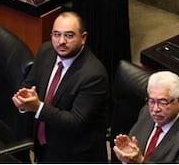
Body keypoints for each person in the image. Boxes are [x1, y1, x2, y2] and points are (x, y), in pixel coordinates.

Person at [13, 11, 110, 163]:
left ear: (83, 38)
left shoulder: (93, 76)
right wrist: (23, 98)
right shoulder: (47, 51)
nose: (61, 41)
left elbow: (74, 121)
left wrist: (37, 107)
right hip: (45, 146)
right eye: (56, 34)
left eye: (69, 35)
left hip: (74, 156)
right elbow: (29, 83)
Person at [112, 71, 179, 164]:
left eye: (163, 102)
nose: (155, 109)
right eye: (152, 101)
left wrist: (141, 162)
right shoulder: (146, 112)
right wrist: (126, 157)